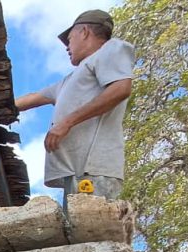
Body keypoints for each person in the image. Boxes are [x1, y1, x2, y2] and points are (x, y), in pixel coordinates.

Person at [14, 9, 135, 201]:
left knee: (92, 228)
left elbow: (121, 88)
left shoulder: (111, 50)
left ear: (85, 32)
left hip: (94, 170)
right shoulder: (68, 81)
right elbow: (33, 97)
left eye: (69, 39)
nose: (67, 47)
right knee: (76, 228)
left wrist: (67, 122)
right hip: (76, 173)